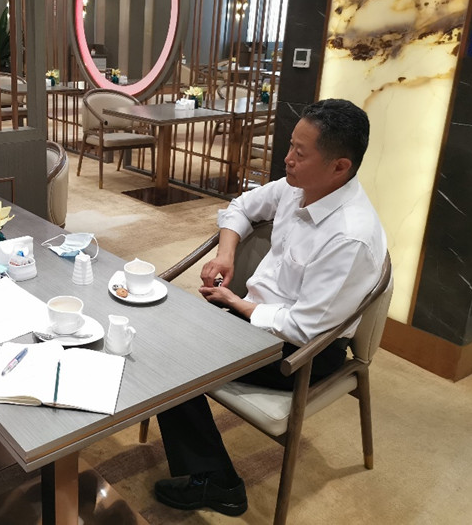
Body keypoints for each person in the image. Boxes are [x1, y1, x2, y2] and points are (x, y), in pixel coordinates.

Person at [153, 98, 388, 516]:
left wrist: (237, 304)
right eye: (291, 145)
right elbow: (242, 206)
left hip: (304, 351)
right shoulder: (299, 188)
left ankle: (220, 484)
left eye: (300, 152)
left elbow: (306, 329)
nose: (287, 158)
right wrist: (226, 254)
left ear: (339, 167)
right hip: (255, 320)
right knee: (162, 327)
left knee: (174, 362)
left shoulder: (350, 236)